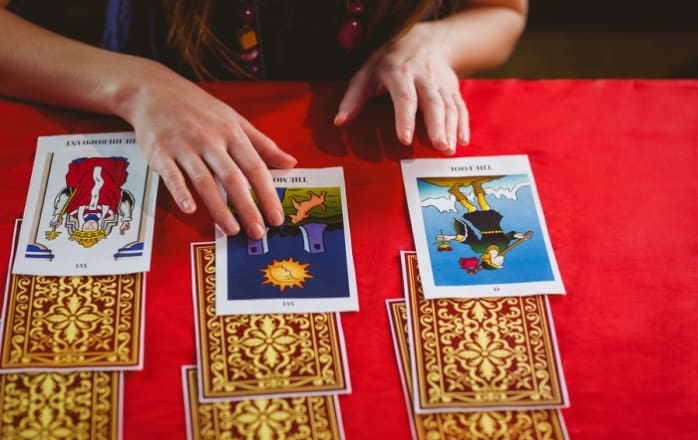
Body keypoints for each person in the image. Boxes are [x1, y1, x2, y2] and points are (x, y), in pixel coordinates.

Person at [0, 0, 528, 241]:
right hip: (153, 103)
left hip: (369, 138)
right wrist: (134, 85)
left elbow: (503, 11)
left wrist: (436, 41)